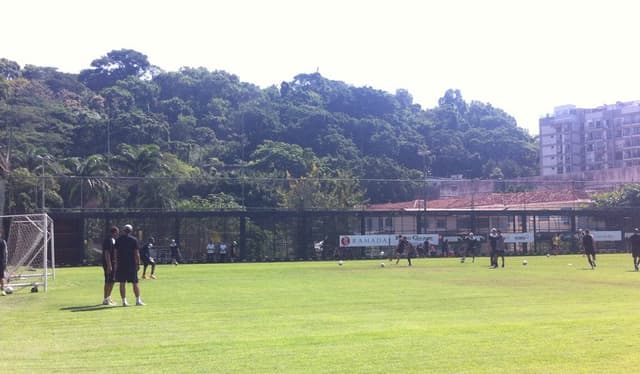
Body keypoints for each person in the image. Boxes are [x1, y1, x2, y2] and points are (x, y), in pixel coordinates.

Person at [115, 224, 144, 306]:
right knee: (135, 282)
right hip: (131, 264)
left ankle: (124, 301)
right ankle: (138, 300)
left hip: (121, 264)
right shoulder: (134, 240)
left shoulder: (119, 240)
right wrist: (138, 263)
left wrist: (116, 263)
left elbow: (115, 252)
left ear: (124, 230)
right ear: (131, 231)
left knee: (122, 282)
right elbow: (136, 253)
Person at [101, 226, 119, 305]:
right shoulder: (108, 240)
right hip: (108, 263)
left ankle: (108, 297)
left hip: (113, 262)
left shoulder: (114, 240)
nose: (118, 234)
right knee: (108, 280)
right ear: (114, 232)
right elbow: (107, 253)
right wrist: (109, 265)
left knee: (113, 280)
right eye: (117, 232)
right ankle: (105, 299)